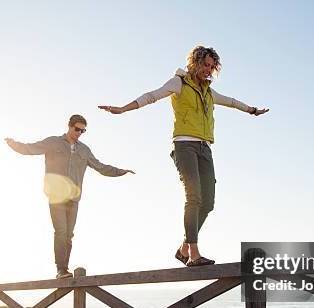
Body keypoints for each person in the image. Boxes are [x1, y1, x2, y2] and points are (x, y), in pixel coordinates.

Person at [99, 45, 268, 267]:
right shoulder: (179, 83)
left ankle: (184, 248)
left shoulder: (209, 91)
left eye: (212, 66)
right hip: (184, 146)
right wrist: (123, 109)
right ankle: (194, 255)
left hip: (205, 148)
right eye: (205, 65)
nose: (208, 70)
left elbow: (231, 101)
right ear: (194, 63)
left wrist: (251, 110)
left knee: (208, 203)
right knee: (194, 197)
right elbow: (152, 96)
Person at [5, 114, 135, 279]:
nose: (79, 133)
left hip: (74, 199)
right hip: (56, 196)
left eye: (83, 131)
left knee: (69, 235)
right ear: (69, 126)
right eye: (77, 129)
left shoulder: (84, 150)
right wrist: (14, 144)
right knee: (60, 231)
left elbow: (100, 167)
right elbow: (31, 148)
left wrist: (120, 171)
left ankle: (64, 270)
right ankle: (61, 269)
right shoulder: (53, 142)